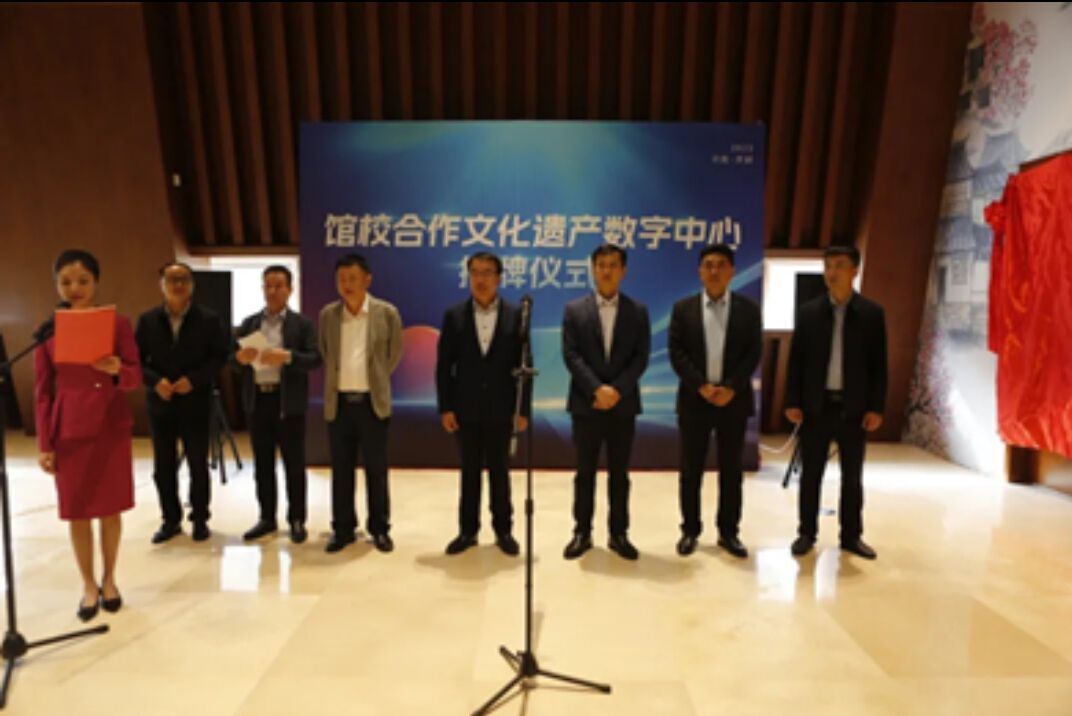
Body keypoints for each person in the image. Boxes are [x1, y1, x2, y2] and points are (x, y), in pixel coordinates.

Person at [33, 249, 141, 620]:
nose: (74, 288)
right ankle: (88, 584)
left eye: (82, 280)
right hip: (69, 428)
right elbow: (42, 392)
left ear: (96, 282)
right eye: (65, 282)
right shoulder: (48, 330)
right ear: (56, 285)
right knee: (77, 511)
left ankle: (110, 579)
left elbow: (135, 376)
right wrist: (45, 444)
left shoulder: (118, 324)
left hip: (110, 424)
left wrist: (116, 369)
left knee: (110, 508)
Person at [784, 245, 888, 560]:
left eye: (840, 265)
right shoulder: (809, 312)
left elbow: (879, 365)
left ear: (855, 270)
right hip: (816, 406)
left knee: (852, 478)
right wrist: (792, 400)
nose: (832, 272)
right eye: (828, 266)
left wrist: (876, 407)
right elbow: (796, 360)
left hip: (853, 408)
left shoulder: (871, 314)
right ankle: (806, 533)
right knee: (810, 474)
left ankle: (851, 536)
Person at [668, 245, 762, 559]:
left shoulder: (748, 309)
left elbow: (753, 352)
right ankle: (690, 530)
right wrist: (701, 386)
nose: (714, 271)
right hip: (695, 400)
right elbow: (677, 353)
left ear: (732, 271)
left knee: (731, 470)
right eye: (708, 265)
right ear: (699, 271)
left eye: (721, 265)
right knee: (690, 470)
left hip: (733, 401)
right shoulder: (683, 308)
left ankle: (729, 532)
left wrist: (731, 387)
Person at [436, 252, 530, 557]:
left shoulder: (516, 315)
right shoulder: (454, 315)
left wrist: (522, 409)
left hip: (503, 408)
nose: (481, 279)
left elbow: (525, 364)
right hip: (466, 409)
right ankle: (468, 531)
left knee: (500, 472)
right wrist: (446, 407)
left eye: (487, 272)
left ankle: (504, 531)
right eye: (475, 272)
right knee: (470, 472)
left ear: (499, 278)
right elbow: (444, 366)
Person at [561, 244, 650, 561]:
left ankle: (619, 533)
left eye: (613, 265)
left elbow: (640, 358)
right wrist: (597, 389)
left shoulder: (637, 311)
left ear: (623, 270)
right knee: (584, 472)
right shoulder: (574, 310)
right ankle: (582, 532)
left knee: (620, 474)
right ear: (593, 269)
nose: (607, 271)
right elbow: (571, 355)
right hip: (586, 405)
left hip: (622, 406)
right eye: (601, 265)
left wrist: (616, 391)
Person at [135, 262, 227, 544]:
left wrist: (194, 380)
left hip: (195, 401)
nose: (178, 285)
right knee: (163, 466)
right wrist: (155, 381)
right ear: (161, 285)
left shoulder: (209, 319)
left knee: (198, 464)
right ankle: (170, 520)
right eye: (172, 280)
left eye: (183, 279)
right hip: (160, 402)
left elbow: (218, 357)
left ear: (192, 285)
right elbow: (136, 361)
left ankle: (200, 518)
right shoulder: (147, 320)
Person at [319, 253, 403, 554]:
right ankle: (342, 529)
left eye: (352, 278)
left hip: (372, 404)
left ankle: (380, 529)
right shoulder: (328, 315)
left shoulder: (386, 313)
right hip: (339, 404)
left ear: (367, 280)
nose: (347, 284)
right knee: (341, 471)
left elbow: (394, 354)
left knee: (376, 471)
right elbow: (326, 352)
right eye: (341, 279)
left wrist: (376, 379)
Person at [233, 265, 321, 544]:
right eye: (267, 286)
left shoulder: (302, 324)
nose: (272, 291)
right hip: (258, 401)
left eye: (278, 286)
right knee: (262, 465)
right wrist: (239, 359)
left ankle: (297, 519)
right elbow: (232, 362)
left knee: (294, 464)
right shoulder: (249, 323)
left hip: (288, 403)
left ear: (290, 289)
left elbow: (315, 358)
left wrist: (288, 357)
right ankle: (266, 518)